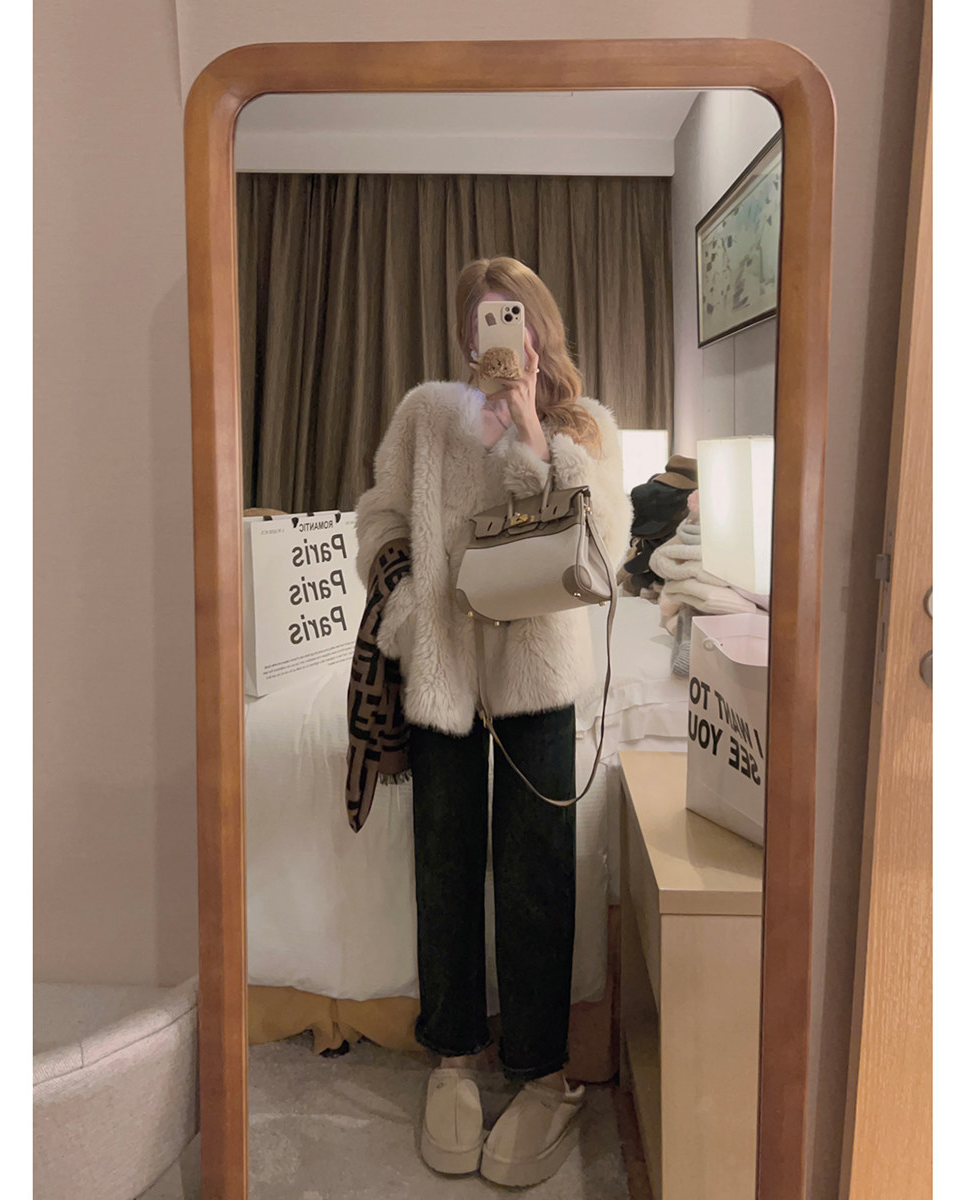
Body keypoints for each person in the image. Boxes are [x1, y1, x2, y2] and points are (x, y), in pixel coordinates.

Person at [353, 256, 632, 1186]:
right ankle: (453, 1053)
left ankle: (544, 1071)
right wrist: (401, 607)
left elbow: (603, 548)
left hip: (538, 670)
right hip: (442, 665)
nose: (497, 336)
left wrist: (529, 433)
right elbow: (380, 516)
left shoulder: (584, 427)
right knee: (443, 861)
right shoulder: (426, 414)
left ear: (539, 327)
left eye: (511, 317)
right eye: (480, 320)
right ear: (463, 333)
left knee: (535, 869)